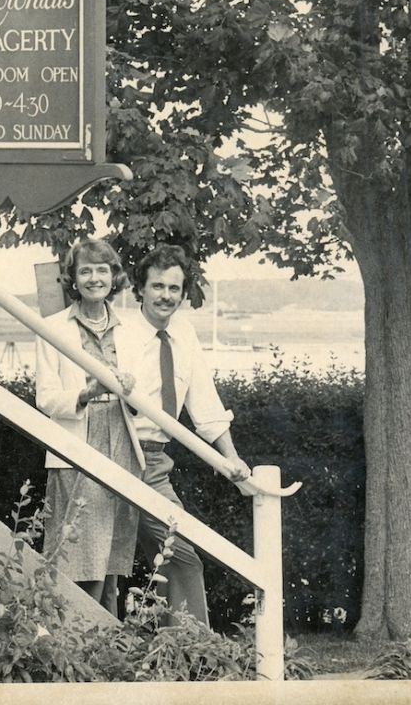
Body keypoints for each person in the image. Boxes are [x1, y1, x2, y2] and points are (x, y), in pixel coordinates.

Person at [123, 244, 251, 626]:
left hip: (155, 462)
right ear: (140, 289)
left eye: (174, 288)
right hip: (115, 451)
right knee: (100, 560)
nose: (165, 296)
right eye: (157, 286)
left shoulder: (184, 333)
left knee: (179, 555)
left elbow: (205, 404)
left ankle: (186, 655)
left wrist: (232, 459)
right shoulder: (120, 330)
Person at [35, 238, 143, 615]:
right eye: (85, 271)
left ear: (114, 276)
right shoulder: (52, 328)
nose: (95, 278)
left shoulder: (132, 328)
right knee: (79, 552)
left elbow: (148, 394)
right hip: (78, 443)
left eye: (102, 270)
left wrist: (131, 391)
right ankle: (74, 629)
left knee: (112, 555)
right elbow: (46, 397)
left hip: (122, 440)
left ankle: (106, 635)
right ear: (73, 279)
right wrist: (85, 393)